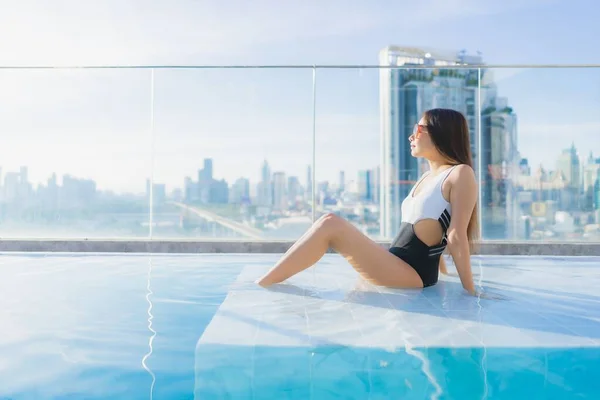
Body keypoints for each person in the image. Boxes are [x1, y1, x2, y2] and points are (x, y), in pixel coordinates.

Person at [256, 108, 479, 295]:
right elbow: (431, 230)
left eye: (419, 130)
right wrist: (444, 274)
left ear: (441, 133)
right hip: (398, 263)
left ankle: (262, 284)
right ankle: (267, 280)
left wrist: (471, 292)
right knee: (327, 221)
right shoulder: (427, 177)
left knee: (330, 223)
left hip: (412, 274)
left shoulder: (460, 173)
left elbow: (454, 235)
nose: (412, 136)